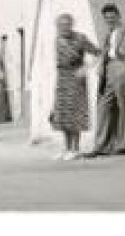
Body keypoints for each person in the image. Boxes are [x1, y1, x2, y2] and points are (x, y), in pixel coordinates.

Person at [87, 3, 125, 157]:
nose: (110, 20)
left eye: (112, 17)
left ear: (118, 16)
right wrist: (101, 66)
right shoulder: (108, 34)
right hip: (108, 71)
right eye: (107, 18)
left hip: (122, 68)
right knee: (103, 107)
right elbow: (106, 52)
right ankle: (100, 146)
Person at [50, 13, 100, 161]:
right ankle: (66, 148)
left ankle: (76, 149)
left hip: (76, 79)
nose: (63, 28)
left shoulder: (80, 38)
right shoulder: (57, 40)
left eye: (66, 25)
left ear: (71, 25)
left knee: (75, 114)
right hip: (62, 79)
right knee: (63, 115)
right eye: (60, 25)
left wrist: (85, 68)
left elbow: (98, 53)